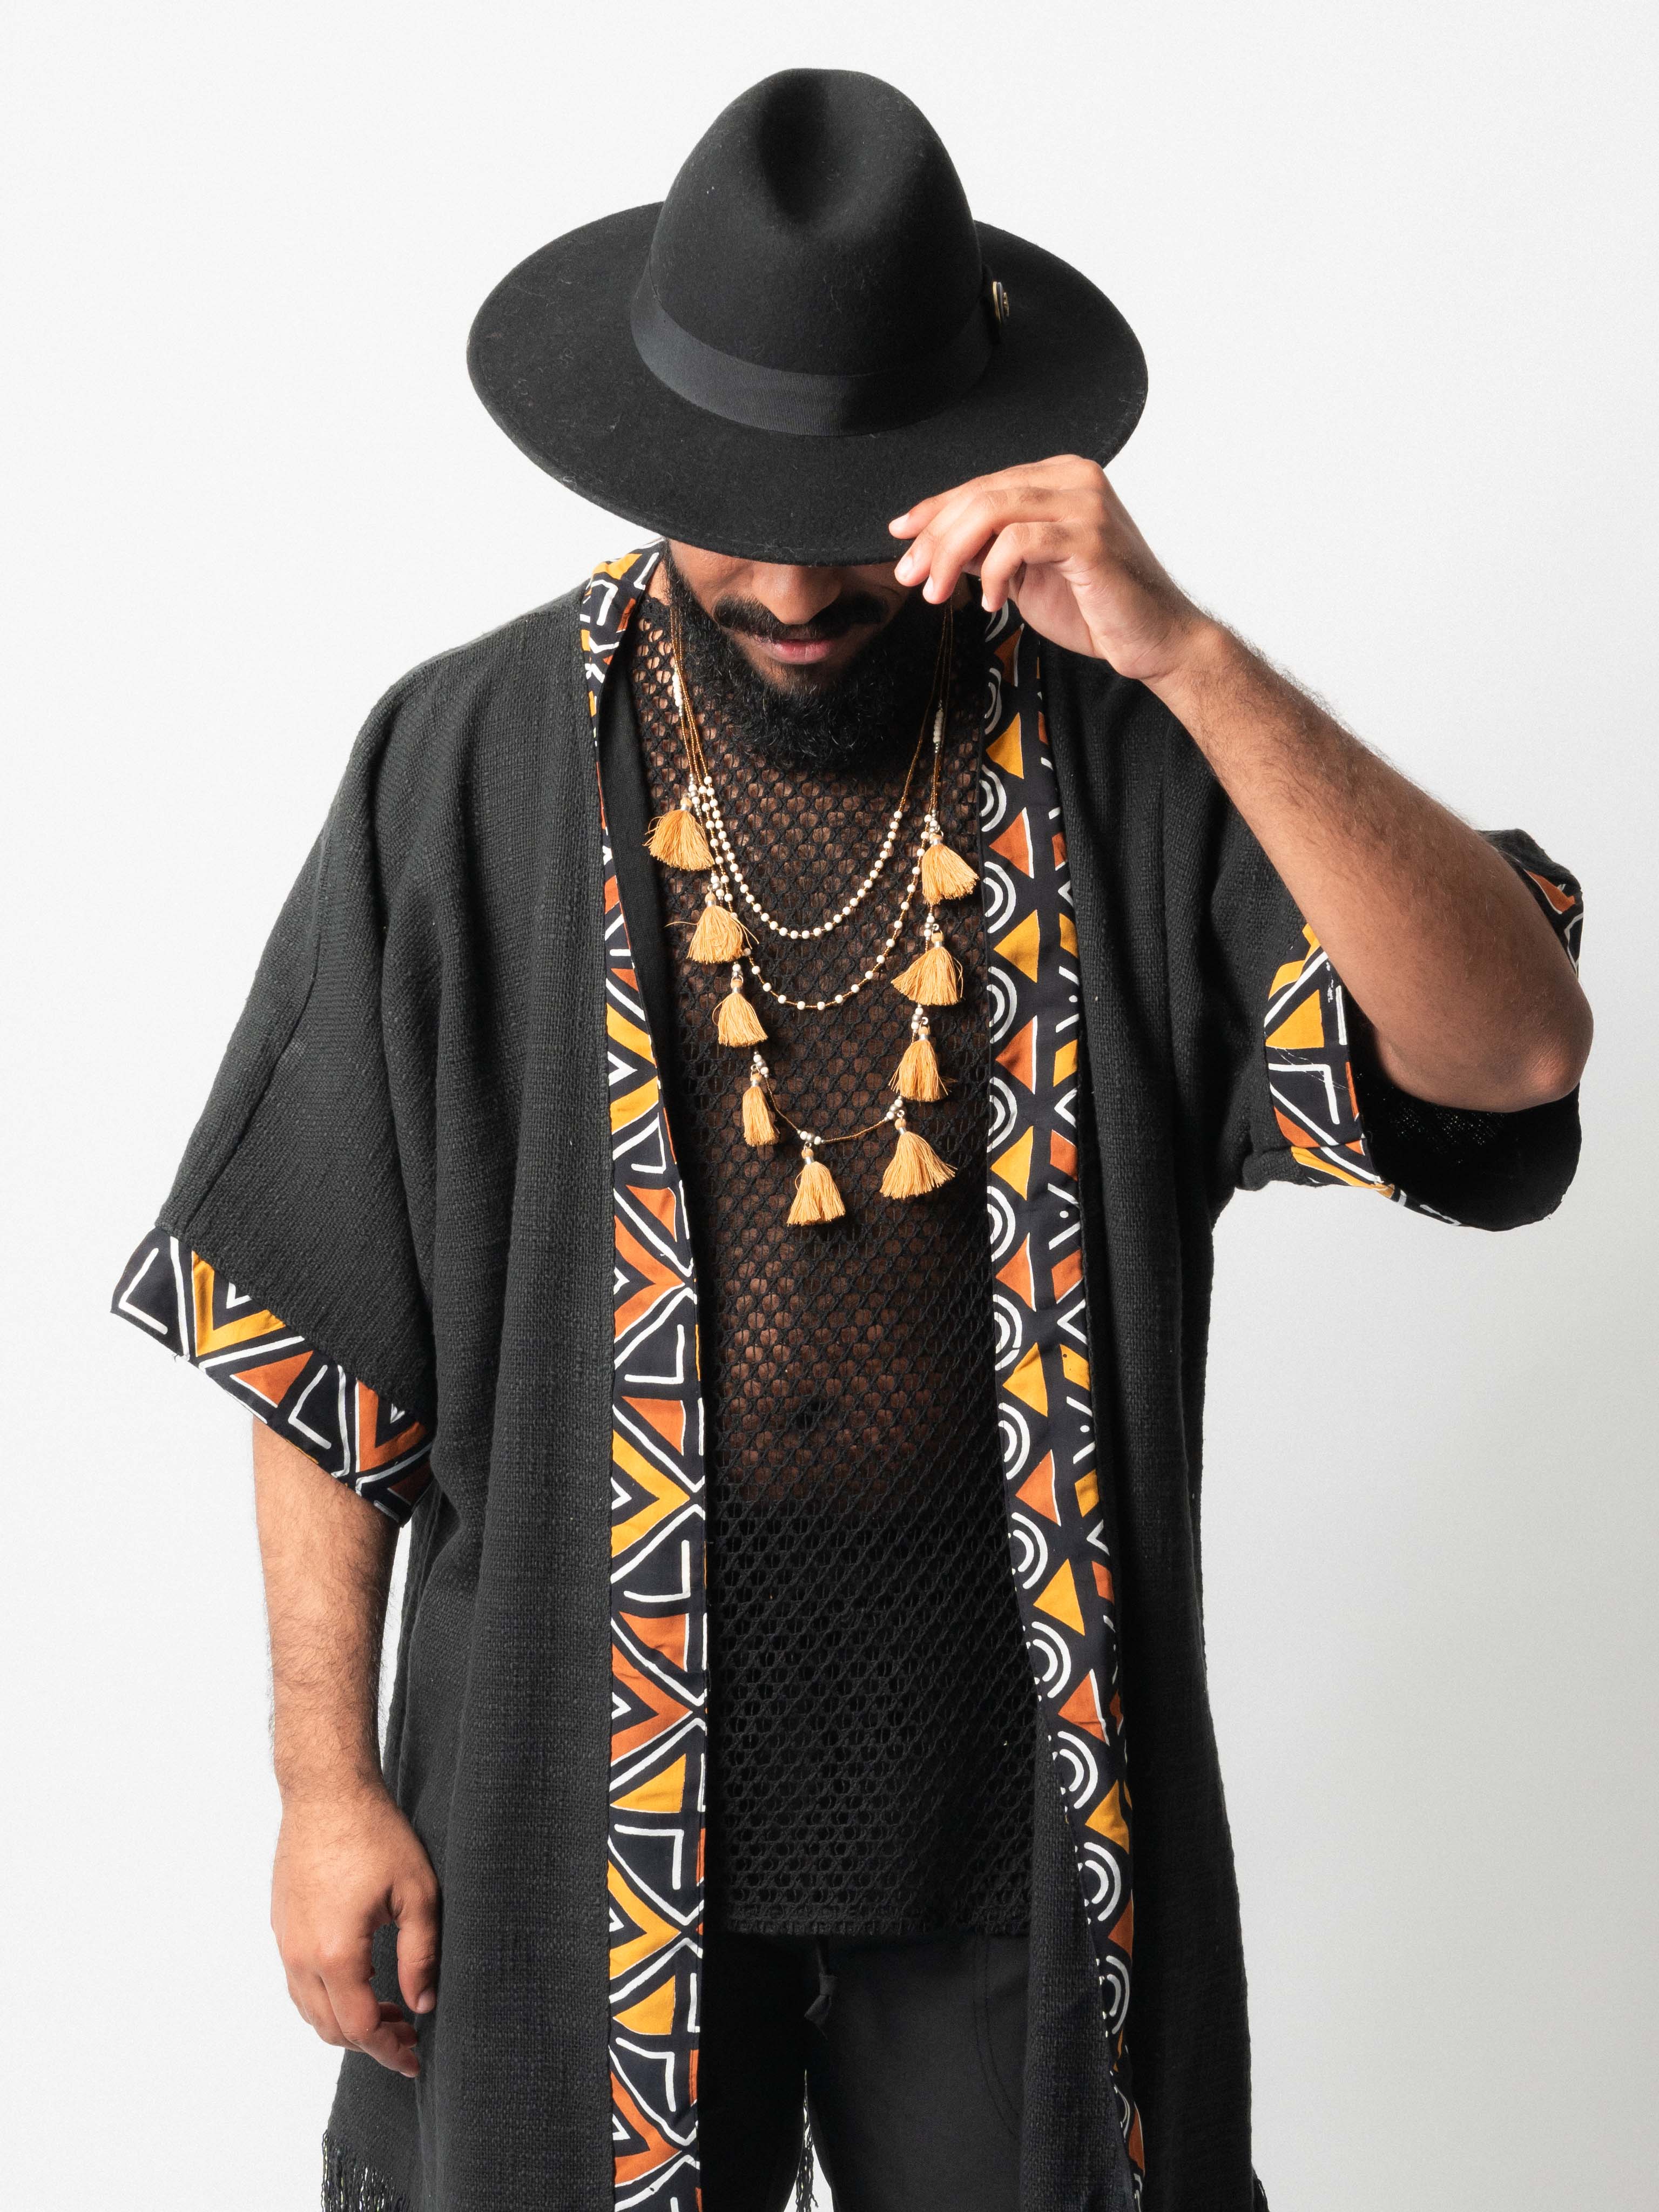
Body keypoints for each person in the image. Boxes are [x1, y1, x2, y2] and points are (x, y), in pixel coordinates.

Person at [111, 66, 1589, 2212]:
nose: (801, 580)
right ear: (643, 455)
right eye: (739, 506)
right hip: (566, 1782)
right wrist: (320, 1780)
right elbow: (321, 1318)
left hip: (1019, 1806)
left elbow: (1511, 1051)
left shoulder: (1123, 751)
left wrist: (1188, 657)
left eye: (862, 508)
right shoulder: (464, 763)